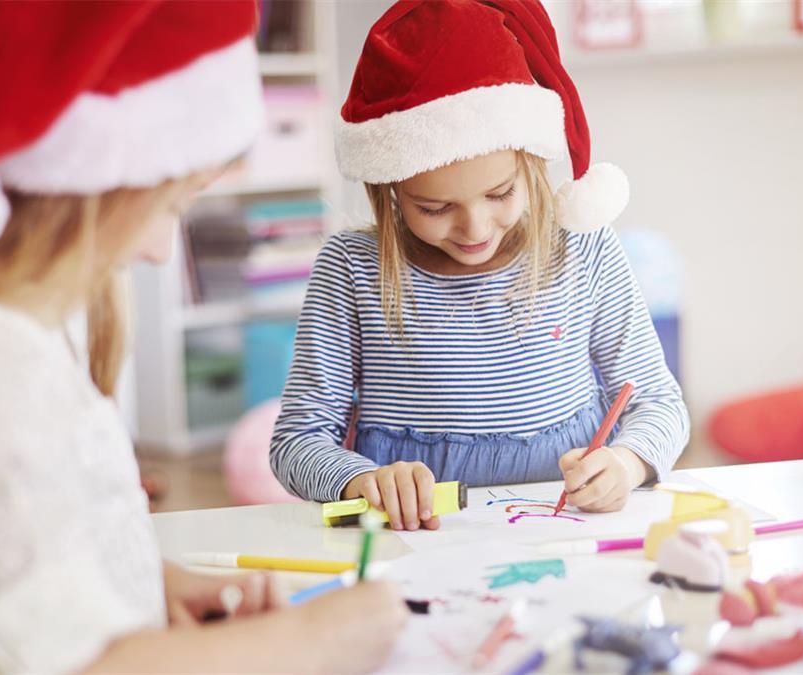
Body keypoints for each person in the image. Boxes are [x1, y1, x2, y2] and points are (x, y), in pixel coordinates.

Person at [0, 3, 404, 674]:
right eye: (170, 206)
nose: (164, 251)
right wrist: (311, 644)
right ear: (77, 181)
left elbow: (12, 557)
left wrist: (154, 587)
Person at [270, 0, 690, 532]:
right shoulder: (352, 269)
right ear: (389, 188)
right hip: (417, 542)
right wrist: (359, 480)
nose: (474, 229)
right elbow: (297, 440)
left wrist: (627, 464)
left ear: (530, 161)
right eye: (435, 208)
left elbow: (659, 403)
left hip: (564, 535)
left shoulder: (584, 247)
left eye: (500, 192)